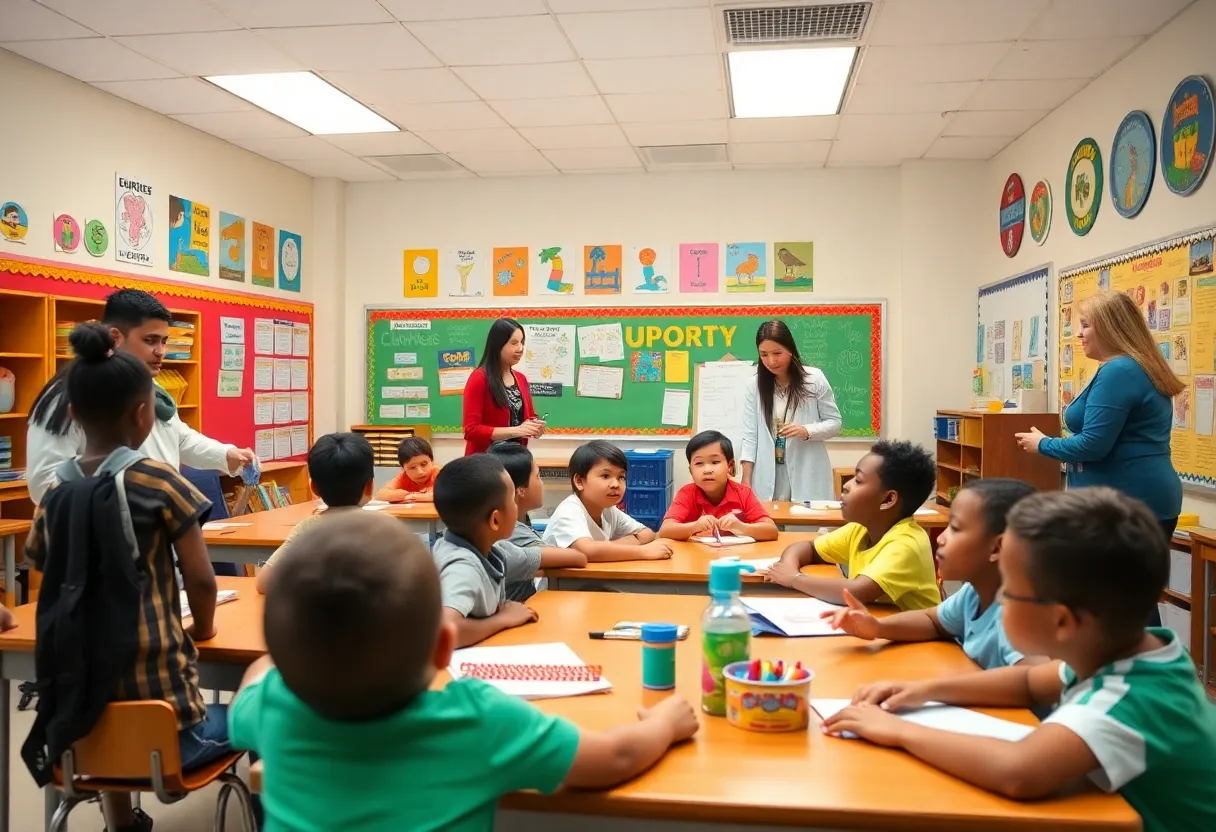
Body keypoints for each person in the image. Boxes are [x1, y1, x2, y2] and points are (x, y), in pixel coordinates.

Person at [229, 511, 699, 831]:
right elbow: (613, 758)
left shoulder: (274, 704)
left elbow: (256, 676)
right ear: (443, 648)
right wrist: (663, 725)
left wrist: (284, 655)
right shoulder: (478, 718)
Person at [823, 488, 1216, 832]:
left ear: (1061, 620)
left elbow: (1018, 771)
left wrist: (895, 731)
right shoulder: (1124, 653)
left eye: (1009, 590)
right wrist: (921, 690)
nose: (999, 599)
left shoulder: (1128, 699)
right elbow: (1027, 683)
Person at [23, 323, 229, 832]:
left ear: (71, 414)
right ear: (143, 416)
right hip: (172, 729)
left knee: (109, 716)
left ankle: (123, 822)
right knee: (257, 715)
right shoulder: (160, 481)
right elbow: (202, 582)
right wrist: (202, 631)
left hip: (75, 733)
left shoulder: (54, 498)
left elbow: (41, 571)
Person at [26, 289, 256, 505]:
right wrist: (127, 503)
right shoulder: (68, 393)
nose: (160, 351)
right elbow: (44, 483)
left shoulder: (149, 385)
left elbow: (179, 438)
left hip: (153, 530)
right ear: (116, 337)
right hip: (101, 537)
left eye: (164, 341)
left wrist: (226, 455)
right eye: (150, 340)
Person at [1014, 290, 1184, 543]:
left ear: (1109, 328)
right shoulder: (1134, 366)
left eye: (1085, 325)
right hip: (1141, 501)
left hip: (1126, 506)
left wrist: (1043, 444)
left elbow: (1093, 445)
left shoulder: (1119, 370)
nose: (1078, 334)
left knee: (1103, 583)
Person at [822, 478, 1035, 669]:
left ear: (996, 548)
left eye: (955, 528)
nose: (941, 539)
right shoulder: (973, 593)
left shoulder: (1021, 613)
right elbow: (933, 621)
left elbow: (1030, 682)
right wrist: (876, 627)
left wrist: (931, 690)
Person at [765, 439, 940, 611]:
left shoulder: (907, 543)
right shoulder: (861, 529)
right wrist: (788, 566)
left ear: (887, 499)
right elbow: (808, 547)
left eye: (858, 480)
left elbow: (856, 592)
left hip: (924, 639)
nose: (846, 486)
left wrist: (794, 579)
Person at [432, 454, 584, 647]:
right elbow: (445, 633)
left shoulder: (494, 550)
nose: (515, 505)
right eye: (512, 500)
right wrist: (503, 619)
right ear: (495, 520)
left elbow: (574, 557)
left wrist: (580, 553)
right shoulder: (463, 566)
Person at [256, 432, 374, 594]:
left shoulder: (307, 529)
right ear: (370, 486)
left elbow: (264, 583)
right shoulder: (387, 527)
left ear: (313, 488)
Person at [740, 320, 842, 502]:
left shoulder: (814, 379)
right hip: (768, 473)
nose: (771, 361)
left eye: (777, 353)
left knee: (807, 525)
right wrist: (746, 479)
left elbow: (835, 423)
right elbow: (750, 436)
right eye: (764, 355)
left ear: (790, 349)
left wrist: (806, 431)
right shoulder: (753, 386)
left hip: (806, 469)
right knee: (769, 525)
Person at [542, 440, 673, 562]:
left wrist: (606, 548)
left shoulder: (608, 510)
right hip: (556, 583)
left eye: (621, 477)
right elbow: (586, 551)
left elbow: (646, 534)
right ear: (579, 481)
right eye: (605, 476)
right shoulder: (569, 510)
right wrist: (643, 552)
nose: (616, 484)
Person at [488, 442, 586, 601]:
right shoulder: (512, 532)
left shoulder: (518, 521)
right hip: (518, 613)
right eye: (538, 476)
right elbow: (576, 556)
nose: (542, 483)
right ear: (520, 490)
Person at [659, 430, 777, 542]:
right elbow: (665, 531)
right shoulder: (686, 493)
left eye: (715, 462)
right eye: (699, 463)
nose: (707, 470)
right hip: (696, 557)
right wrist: (695, 526)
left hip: (736, 557)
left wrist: (742, 528)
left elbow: (771, 531)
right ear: (691, 471)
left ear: (730, 466)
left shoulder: (743, 493)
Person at [462, 318, 545, 455]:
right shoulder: (479, 378)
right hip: (486, 463)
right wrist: (517, 430)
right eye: (514, 343)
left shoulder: (521, 378)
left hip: (516, 459)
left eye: (522, 342)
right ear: (498, 345)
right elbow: (471, 431)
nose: (520, 349)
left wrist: (535, 427)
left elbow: (528, 417)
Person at [375, 436, 437, 503]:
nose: (420, 472)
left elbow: (445, 495)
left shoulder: (440, 473)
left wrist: (412, 497)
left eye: (424, 464)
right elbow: (380, 494)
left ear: (432, 461)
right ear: (403, 468)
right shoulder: (403, 477)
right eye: (412, 467)